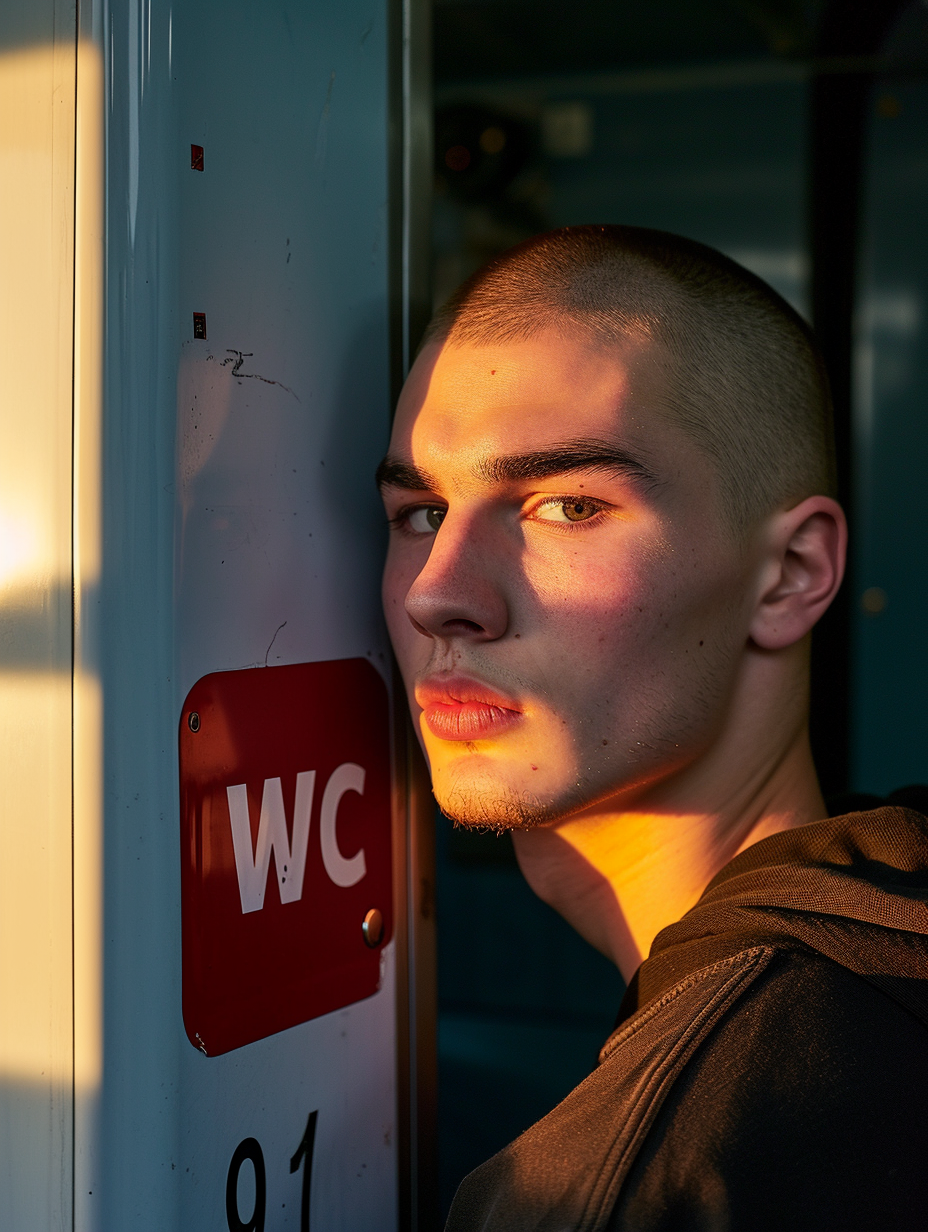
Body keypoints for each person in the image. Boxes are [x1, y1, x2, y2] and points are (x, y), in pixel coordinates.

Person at [377, 226, 928, 1230]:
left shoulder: (646, 1179)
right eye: (419, 511)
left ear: (792, 572)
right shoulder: (887, 916)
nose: (439, 594)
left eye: (567, 505)